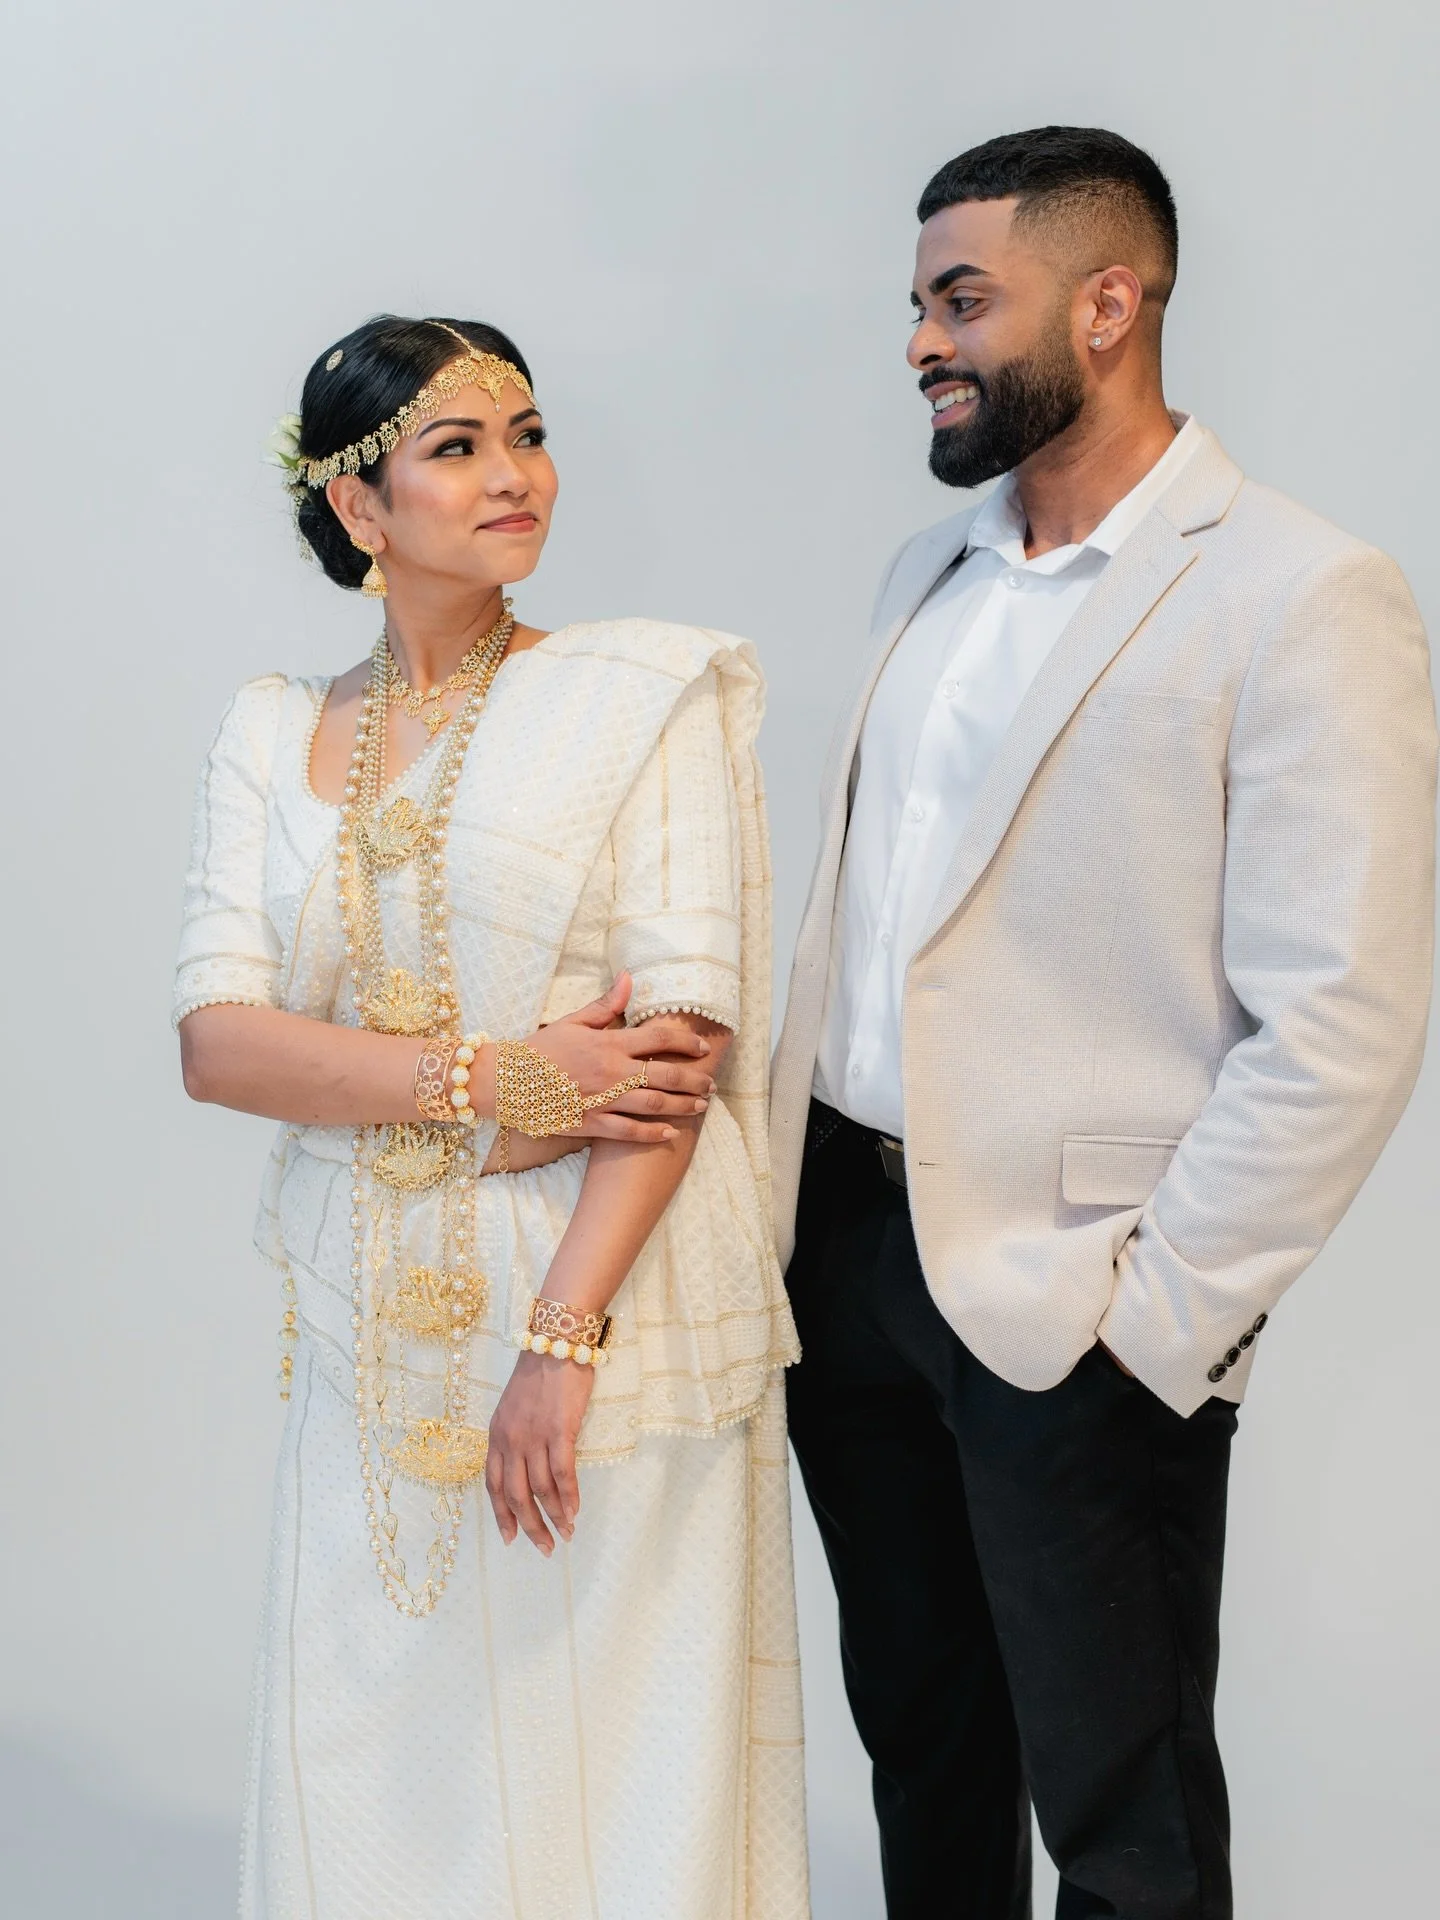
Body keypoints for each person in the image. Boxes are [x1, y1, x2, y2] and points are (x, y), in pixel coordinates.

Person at [770, 126, 1437, 1920]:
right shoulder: (929, 570)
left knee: (1123, 1821)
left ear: (1112, 302)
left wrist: (1165, 1322)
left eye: (963, 299)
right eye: (917, 302)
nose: (922, 338)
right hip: (844, 1258)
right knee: (926, 1757)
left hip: (1079, 1294)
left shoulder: (1299, 590)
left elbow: (1347, 1018)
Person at [174, 315, 807, 1919]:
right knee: (376, 1765)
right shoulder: (269, 730)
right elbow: (219, 1042)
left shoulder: (643, 695)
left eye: (525, 435)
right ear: (356, 511)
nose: (515, 475)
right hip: (364, 1320)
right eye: (455, 449)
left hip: (611, 1308)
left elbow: (671, 1050)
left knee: (619, 1767)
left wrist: (560, 1343)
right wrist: (500, 1080)